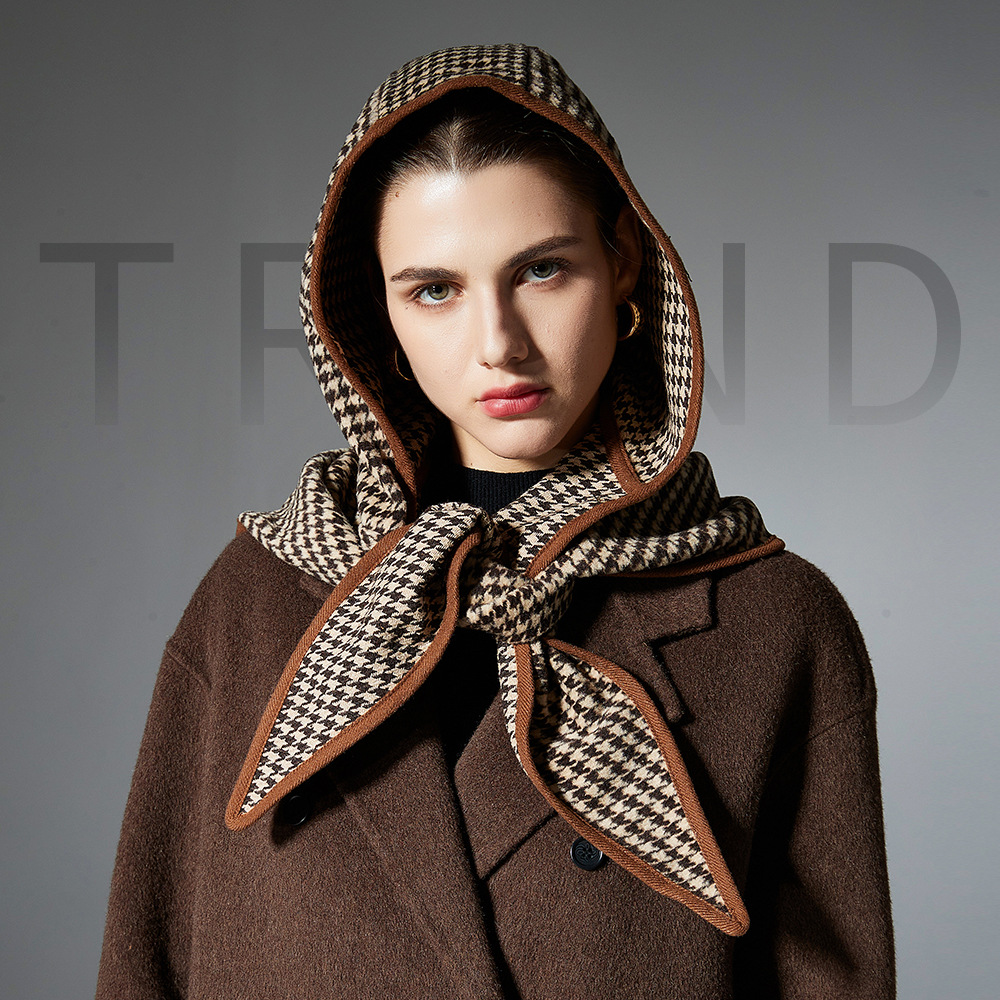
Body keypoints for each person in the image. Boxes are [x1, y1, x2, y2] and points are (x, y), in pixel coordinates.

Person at [96, 44, 895, 998]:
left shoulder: (778, 625)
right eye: (434, 290)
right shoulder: (254, 606)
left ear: (623, 263)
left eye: (542, 271)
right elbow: (143, 969)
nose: (499, 344)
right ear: (377, 314)